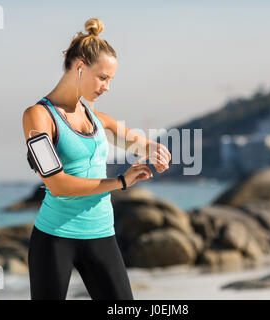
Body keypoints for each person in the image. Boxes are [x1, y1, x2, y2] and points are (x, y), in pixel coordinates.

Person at [21, 17, 171, 300]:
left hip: (102, 236)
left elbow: (133, 140)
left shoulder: (97, 119)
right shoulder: (38, 117)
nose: (107, 87)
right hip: (55, 238)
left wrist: (154, 149)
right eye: (103, 78)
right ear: (79, 67)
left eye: (110, 80)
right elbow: (58, 185)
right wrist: (121, 182)